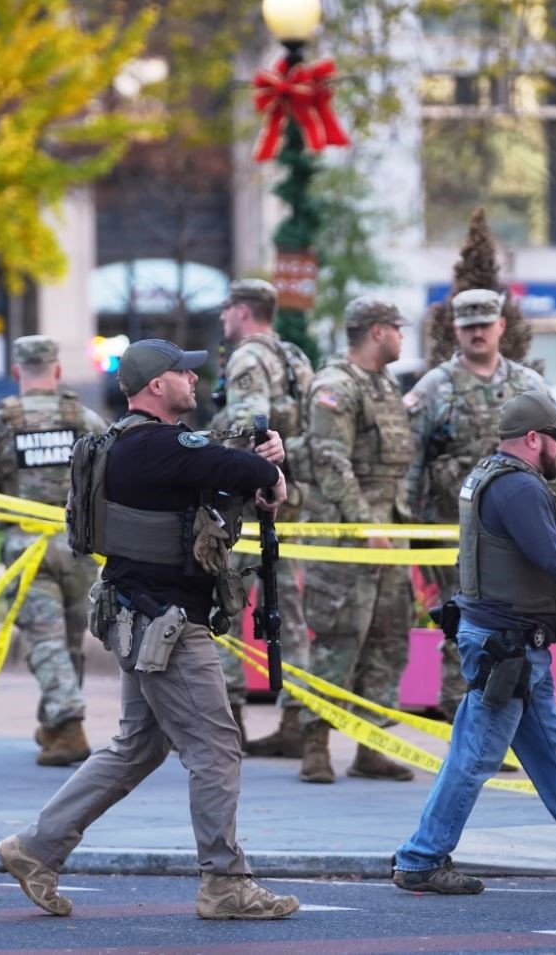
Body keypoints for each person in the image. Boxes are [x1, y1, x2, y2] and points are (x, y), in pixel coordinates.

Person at [0, 338, 300, 921]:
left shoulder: (128, 444)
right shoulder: (156, 446)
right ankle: (225, 881)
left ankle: (36, 848)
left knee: (138, 746)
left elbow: (215, 471)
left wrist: (263, 463)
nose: (194, 379)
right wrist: (269, 464)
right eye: (184, 372)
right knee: (215, 747)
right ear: (157, 385)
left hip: (139, 617)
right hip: (168, 627)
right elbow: (234, 466)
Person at [392, 390, 556, 894]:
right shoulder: (518, 488)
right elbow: (553, 558)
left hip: (511, 644)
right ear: (534, 438)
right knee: (475, 756)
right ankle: (421, 858)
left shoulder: (489, 475)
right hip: (506, 645)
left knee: (549, 752)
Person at [405, 288, 556, 723]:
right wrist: (405, 524)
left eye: (485, 324)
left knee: (520, 617)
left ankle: (514, 706)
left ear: (501, 325)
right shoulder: (435, 387)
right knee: (462, 618)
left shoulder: (528, 385)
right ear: (455, 330)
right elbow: (410, 460)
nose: (477, 332)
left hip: (519, 533)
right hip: (453, 528)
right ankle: (460, 710)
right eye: (468, 326)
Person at [0, 335, 108, 766]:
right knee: (69, 641)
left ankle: (69, 724)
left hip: (27, 549)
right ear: (57, 370)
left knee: (44, 640)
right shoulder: (86, 421)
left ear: (16, 372)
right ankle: (55, 725)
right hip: (80, 547)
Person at [294, 297, 416, 785]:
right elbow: (330, 462)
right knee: (338, 641)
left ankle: (372, 746)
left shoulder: (384, 384)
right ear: (378, 331)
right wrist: (367, 527)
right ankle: (314, 742)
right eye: (397, 329)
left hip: (391, 532)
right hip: (347, 539)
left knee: (388, 638)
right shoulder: (336, 386)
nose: (402, 338)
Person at [209, 279, 314, 756]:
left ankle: (228, 719)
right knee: (290, 614)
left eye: (226, 309)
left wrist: (206, 449)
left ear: (242, 311)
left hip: (248, 507)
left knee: (224, 606)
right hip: (290, 501)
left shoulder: (247, 358)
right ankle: (297, 719)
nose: (222, 318)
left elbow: (249, 430)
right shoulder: (295, 358)